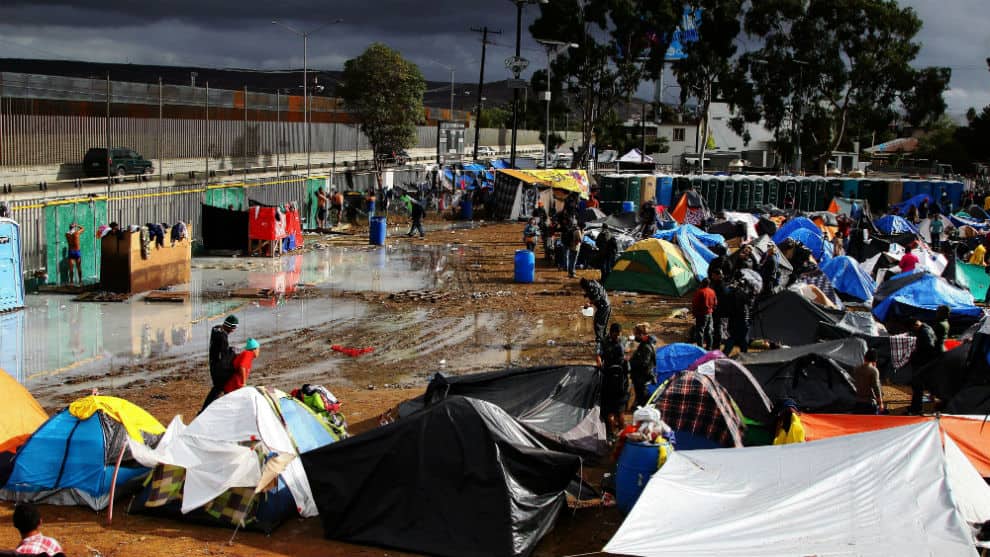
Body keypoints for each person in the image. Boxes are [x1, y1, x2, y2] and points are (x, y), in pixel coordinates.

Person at [201, 315, 239, 413]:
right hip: (219, 368)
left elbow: (219, 350)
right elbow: (224, 356)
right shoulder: (223, 337)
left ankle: (208, 410)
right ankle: (205, 411)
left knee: (218, 389)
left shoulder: (216, 329)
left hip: (213, 363)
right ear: (230, 326)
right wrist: (233, 352)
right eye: (234, 327)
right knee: (217, 390)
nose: (233, 330)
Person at [598, 322, 629, 440]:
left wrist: (600, 365)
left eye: (619, 334)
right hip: (620, 383)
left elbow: (598, 357)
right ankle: (623, 436)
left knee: (611, 412)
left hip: (609, 382)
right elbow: (627, 366)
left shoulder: (604, 343)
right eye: (617, 334)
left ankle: (611, 436)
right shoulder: (622, 343)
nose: (618, 336)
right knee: (619, 412)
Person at [908, 318, 939, 414]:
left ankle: (916, 408)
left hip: (922, 363)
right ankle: (915, 407)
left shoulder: (924, 332)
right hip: (925, 362)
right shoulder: (926, 328)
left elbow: (929, 347)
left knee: (918, 386)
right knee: (918, 386)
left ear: (915, 325)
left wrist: (916, 355)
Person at [628, 323, 657, 410]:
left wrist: (631, 362)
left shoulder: (646, 347)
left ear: (641, 334)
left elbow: (644, 364)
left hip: (642, 377)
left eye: (636, 334)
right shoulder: (644, 343)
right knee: (641, 396)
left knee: (643, 398)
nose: (635, 336)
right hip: (640, 377)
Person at [581, 277, 611, 351]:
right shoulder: (592, 283)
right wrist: (587, 294)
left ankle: (599, 340)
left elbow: (597, 298)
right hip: (606, 305)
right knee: (603, 323)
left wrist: (589, 304)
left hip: (604, 306)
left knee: (598, 323)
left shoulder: (592, 287)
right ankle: (604, 338)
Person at [852, 349, 884, 414]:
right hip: (869, 403)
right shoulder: (873, 371)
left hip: (858, 401)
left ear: (864, 358)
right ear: (875, 360)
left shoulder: (856, 369)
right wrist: (880, 403)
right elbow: (876, 388)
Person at [691, 278, 717, 349]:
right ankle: (709, 347)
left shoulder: (700, 292)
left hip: (701, 314)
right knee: (709, 331)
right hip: (710, 313)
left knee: (700, 331)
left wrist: (694, 313)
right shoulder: (712, 291)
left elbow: (695, 303)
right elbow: (715, 303)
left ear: (702, 283)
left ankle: (700, 348)